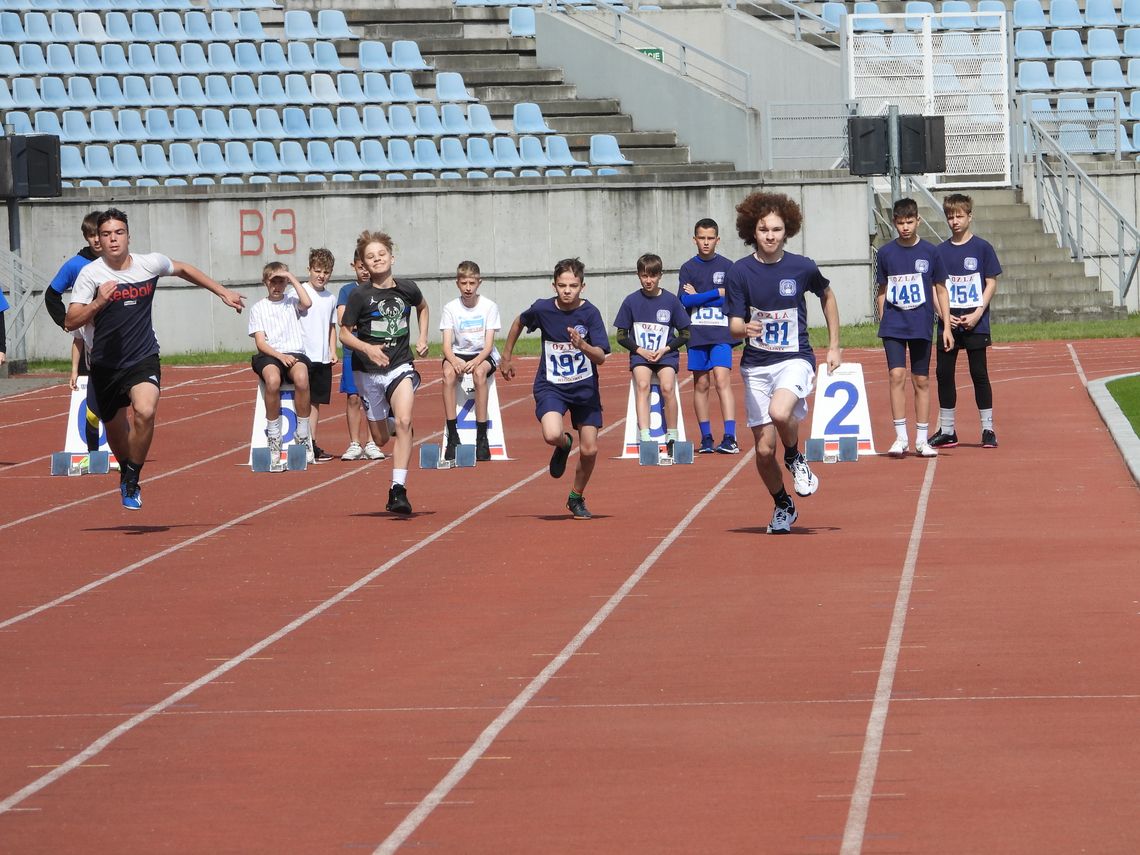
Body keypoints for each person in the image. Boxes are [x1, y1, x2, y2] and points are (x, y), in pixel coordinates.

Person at [64, 208, 245, 509]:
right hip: (105, 365)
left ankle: (132, 477)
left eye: (118, 233)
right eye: (106, 234)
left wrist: (222, 292)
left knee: (145, 411)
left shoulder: (148, 264)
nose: (112, 240)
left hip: (142, 356)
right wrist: (99, 301)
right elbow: (71, 321)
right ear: (99, 239)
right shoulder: (91, 274)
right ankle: (126, 471)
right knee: (116, 429)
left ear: (128, 236)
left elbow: (184, 269)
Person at [725, 192, 841, 535]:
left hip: (795, 358)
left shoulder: (802, 267)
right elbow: (732, 323)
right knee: (762, 450)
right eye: (764, 229)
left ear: (787, 230)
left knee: (780, 412)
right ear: (752, 231)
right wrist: (743, 327)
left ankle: (794, 455)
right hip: (756, 365)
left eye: (776, 229)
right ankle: (782, 503)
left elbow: (827, 295)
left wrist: (834, 345)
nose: (771, 235)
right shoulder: (739, 272)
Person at [500, 257, 609, 520]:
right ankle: (563, 445)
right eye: (562, 285)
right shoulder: (543, 309)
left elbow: (602, 356)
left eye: (573, 285)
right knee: (551, 434)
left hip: (584, 389)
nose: (567, 290)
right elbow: (519, 322)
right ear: (554, 285)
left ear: (583, 286)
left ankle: (575, 497)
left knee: (590, 450)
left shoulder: (590, 313)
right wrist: (506, 355)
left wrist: (583, 346)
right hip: (552, 386)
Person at [339, 231, 429, 515]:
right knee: (379, 439)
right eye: (370, 257)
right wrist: (367, 348)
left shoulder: (407, 288)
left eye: (381, 254)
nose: (377, 259)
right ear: (363, 265)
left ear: (392, 257)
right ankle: (388, 423)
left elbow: (423, 307)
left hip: (400, 365)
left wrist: (423, 337)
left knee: (404, 422)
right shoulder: (359, 295)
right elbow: (343, 334)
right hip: (367, 372)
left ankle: (398, 490)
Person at [875, 198, 954, 458]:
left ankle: (922, 439)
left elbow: (941, 289)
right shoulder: (886, 253)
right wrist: (882, 316)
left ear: (918, 221)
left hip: (921, 323)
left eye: (910, 222)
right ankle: (901, 437)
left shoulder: (931, 252)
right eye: (900, 223)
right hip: (894, 324)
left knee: (921, 379)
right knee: (896, 376)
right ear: (894, 222)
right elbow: (882, 290)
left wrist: (946, 325)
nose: (905, 227)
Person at [931, 193, 1002, 449]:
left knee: (979, 373)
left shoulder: (983, 248)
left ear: (969, 216)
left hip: (975, 322)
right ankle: (948, 430)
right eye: (950, 216)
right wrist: (943, 315)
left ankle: (987, 428)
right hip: (948, 324)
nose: (955, 221)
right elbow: (935, 287)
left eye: (959, 216)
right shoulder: (939, 251)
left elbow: (991, 283)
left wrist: (976, 314)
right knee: (944, 374)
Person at [614, 252, 690, 453]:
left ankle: (672, 436)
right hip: (641, 355)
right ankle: (646, 437)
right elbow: (621, 335)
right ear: (638, 276)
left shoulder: (671, 301)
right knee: (643, 384)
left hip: (666, 354)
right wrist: (640, 350)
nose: (649, 280)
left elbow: (685, 333)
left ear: (660, 275)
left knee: (667, 387)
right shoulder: (631, 301)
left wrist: (665, 349)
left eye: (653, 276)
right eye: (644, 276)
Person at [678, 218, 739, 454]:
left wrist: (700, 294)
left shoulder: (728, 266)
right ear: (694, 239)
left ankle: (730, 436)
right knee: (701, 384)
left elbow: (733, 298)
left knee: (722, 380)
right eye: (701, 238)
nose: (706, 242)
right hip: (697, 333)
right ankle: (706, 438)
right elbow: (685, 300)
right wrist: (716, 292)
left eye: (710, 238)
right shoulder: (688, 268)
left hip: (722, 333)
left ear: (717, 239)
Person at [248, 262, 315, 471]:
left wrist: (290, 276)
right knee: (273, 380)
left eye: (281, 281)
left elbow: (308, 302)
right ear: (265, 282)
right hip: (270, 354)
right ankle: (274, 437)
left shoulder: (292, 301)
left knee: (302, 378)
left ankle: (302, 433)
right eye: (273, 281)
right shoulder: (258, 308)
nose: (277, 286)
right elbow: (260, 343)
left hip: (294, 352)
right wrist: (280, 355)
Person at [439, 260, 501, 462]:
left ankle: (481, 437)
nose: (468, 288)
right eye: (464, 283)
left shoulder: (489, 306)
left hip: (482, 354)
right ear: (457, 283)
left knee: (479, 373)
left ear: (479, 283)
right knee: (448, 374)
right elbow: (446, 346)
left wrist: (477, 361)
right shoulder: (450, 308)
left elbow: (489, 345)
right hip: (458, 353)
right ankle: (452, 435)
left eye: (472, 283)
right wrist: (454, 361)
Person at [337, 251, 385, 462]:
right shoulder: (347, 291)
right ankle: (354, 443)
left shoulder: (381, 288)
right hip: (353, 351)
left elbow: (384, 320)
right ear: (354, 266)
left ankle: (372, 443)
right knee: (354, 397)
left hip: (376, 351)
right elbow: (343, 320)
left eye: (368, 266)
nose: (365, 271)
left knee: (374, 397)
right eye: (360, 267)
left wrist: (360, 321)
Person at [294, 248, 339, 463]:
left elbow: (331, 326)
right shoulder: (299, 292)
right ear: (309, 270)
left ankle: (311, 442)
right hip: (303, 355)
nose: (321, 276)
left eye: (326, 272)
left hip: (322, 357)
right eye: (317, 270)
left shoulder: (330, 298)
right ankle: (299, 441)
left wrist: (332, 349)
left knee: (315, 403)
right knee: (300, 399)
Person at [44, 210, 102, 331]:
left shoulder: (117, 261)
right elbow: (51, 295)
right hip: (87, 332)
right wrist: (63, 321)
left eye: (100, 234)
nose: (96, 239)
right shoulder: (74, 265)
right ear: (85, 237)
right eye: (91, 235)